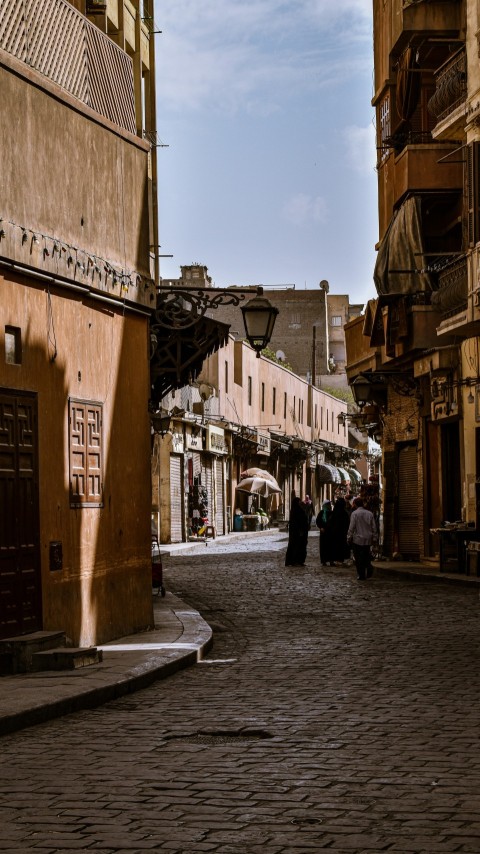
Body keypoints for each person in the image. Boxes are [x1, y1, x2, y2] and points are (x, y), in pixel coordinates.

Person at [347, 497, 378, 580]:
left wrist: (349, 537)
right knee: (366, 555)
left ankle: (361, 575)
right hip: (368, 539)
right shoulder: (369, 513)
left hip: (358, 539)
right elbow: (374, 527)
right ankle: (368, 566)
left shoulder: (354, 514)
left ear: (355, 504)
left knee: (358, 558)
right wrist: (375, 538)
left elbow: (352, 527)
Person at [285, 496, 310, 566]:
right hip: (297, 533)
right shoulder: (296, 511)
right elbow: (297, 522)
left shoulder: (298, 509)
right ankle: (294, 561)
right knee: (296, 546)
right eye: (299, 502)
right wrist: (300, 530)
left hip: (301, 533)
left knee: (301, 546)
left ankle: (299, 561)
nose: (300, 503)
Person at [327, 497, 351, 565]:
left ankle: (334, 559)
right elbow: (347, 523)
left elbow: (330, 523)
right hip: (342, 533)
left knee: (334, 546)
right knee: (341, 546)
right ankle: (340, 559)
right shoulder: (345, 514)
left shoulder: (334, 513)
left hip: (334, 533)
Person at [316, 500, 334, 566]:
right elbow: (318, 521)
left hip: (330, 532)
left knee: (331, 547)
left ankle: (331, 561)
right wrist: (321, 527)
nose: (329, 506)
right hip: (324, 533)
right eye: (328, 504)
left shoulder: (332, 513)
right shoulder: (321, 513)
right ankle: (324, 561)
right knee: (324, 547)